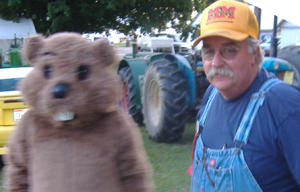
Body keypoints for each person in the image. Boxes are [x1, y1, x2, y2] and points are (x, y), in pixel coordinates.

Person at [190, 0, 300, 191]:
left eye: (228, 50)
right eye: (208, 52)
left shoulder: (284, 105)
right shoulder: (211, 96)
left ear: (254, 52)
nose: (216, 62)